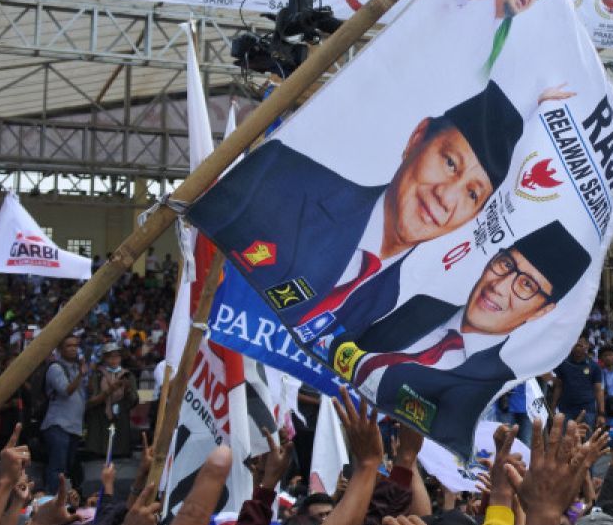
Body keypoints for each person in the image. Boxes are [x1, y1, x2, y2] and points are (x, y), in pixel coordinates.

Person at [189, 80, 530, 352]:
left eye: (472, 194)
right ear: (416, 139)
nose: (446, 196)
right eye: (449, 162)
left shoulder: (396, 303)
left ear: (476, 214)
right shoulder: (286, 181)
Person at [328, 220, 590, 456]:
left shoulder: (492, 379)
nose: (499, 286)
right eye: (506, 264)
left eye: (526, 285)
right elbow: (347, 342)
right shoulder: (419, 303)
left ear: (541, 311)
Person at [40, 333, 88, 492]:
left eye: (75, 345)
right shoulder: (55, 368)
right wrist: (81, 374)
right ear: (60, 349)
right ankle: (51, 499)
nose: (73, 349)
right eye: (69, 345)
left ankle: (63, 500)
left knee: (66, 468)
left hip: (73, 426)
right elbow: (66, 391)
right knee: (57, 468)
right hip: (58, 425)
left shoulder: (76, 368)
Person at [85, 342, 137, 460]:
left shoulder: (128, 375)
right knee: (99, 455)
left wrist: (128, 390)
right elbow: (91, 401)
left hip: (120, 420)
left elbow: (134, 401)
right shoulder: (97, 375)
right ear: (104, 358)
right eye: (110, 356)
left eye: (117, 356)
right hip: (100, 420)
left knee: (119, 455)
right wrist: (109, 391)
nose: (114, 360)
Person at [551, 338, 604, 425]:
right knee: (566, 438)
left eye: (580, 345)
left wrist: (601, 413)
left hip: (587, 411)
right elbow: (558, 387)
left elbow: (598, 391)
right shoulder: (563, 364)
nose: (578, 348)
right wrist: (552, 407)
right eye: (575, 345)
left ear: (587, 345)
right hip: (566, 410)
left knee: (586, 438)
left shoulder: (594, 366)